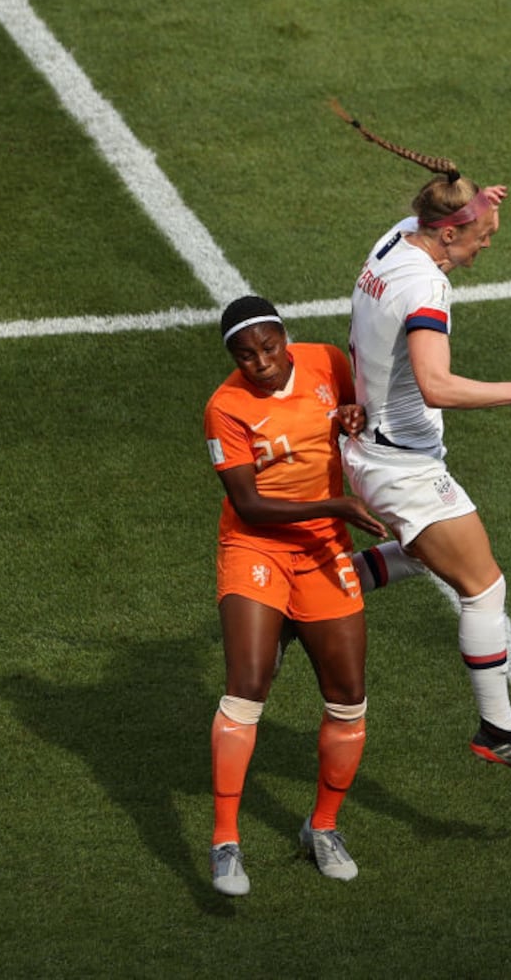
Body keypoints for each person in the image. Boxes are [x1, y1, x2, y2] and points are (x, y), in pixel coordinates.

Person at [333, 102, 511, 776]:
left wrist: (480, 204)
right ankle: (497, 729)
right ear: (446, 234)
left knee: (424, 554)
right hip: (398, 463)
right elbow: (435, 385)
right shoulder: (424, 289)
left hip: (376, 448)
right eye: (479, 237)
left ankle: (320, 589)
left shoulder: (397, 236)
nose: (483, 245)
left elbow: (452, 214)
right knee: (483, 586)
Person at [202, 295, 389, 897]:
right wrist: (337, 505)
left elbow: (355, 407)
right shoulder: (224, 408)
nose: (260, 362)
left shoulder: (327, 362)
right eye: (245, 354)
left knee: (347, 696)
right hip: (256, 547)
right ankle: (225, 841)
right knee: (248, 685)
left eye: (268, 346)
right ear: (232, 357)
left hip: (321, 552)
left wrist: (352, 417)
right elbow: (249, 505)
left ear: (286, 338)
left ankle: (323, 827)